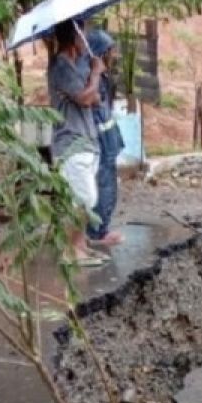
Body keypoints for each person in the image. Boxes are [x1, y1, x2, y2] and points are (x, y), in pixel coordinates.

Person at [47, 19, 107, 267]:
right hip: (71, 142)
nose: (86, 39)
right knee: (84, 199)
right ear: (74, 37)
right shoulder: (60, 66)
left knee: (81, 198)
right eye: (83, 34)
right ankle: (71, 249)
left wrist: (91, 81)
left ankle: (80, 246)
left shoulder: (77, 65)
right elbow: (85, 98)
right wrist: (95, 74)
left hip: (86, 139)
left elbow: (97, 99)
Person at [82, 29, 125, 246]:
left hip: (108, 138)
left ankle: (101, 228)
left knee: (108, 185)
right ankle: (97, 232)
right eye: (109, 50)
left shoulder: (103, 77)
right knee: (103, 185)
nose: (113, 54)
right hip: (101, 139)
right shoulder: (93, 78)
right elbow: (95, 104)